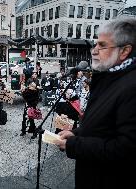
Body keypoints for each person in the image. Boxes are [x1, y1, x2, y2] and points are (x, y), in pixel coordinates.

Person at [55, 18, 136, 189]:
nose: (94, 51)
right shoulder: (108, 76)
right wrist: (76, 133)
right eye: (95, 44)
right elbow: (102, 126)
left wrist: (74, 145)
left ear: (124, 51)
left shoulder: (131, 86)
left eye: (102, 45)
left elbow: (126, 149)